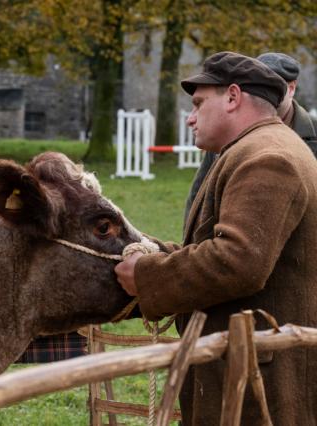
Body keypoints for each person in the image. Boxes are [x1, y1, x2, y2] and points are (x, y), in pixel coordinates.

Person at [115, 52, 317, 425]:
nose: (190, 118)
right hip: (244, 365)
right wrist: (153, 252)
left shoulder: (268, 157)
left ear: (233, 97)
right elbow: (219, 245)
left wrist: (147, 276)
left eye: (198, 104)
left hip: (259, 382)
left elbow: (238, 261)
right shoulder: (256, 148)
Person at [184, 52, 317, 221]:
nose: (263, 91)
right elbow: (200, 193)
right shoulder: (230, 133)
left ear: (291, 88)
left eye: (273, 86)